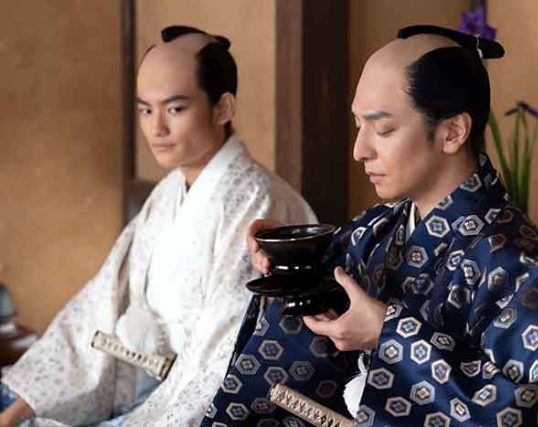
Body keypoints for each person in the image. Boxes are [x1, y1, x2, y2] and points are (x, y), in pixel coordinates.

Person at [203, 25, 538, 426]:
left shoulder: (520, 263)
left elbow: (516, 410)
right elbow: (309, 325)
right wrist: (292, 264)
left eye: (383, 129)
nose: (360, 150)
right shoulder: (376, 232)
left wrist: (387, 335)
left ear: (452, 131)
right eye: (358, 125)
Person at [0, 25, 316, 427]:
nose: (156, 128)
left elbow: (226, 355)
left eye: (175, 109)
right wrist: (20, 408)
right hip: (149, 392)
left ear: (223, 108)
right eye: (145, 110)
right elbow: (97, 308)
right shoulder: (168, 193)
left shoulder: (256, 202)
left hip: (198, 406)